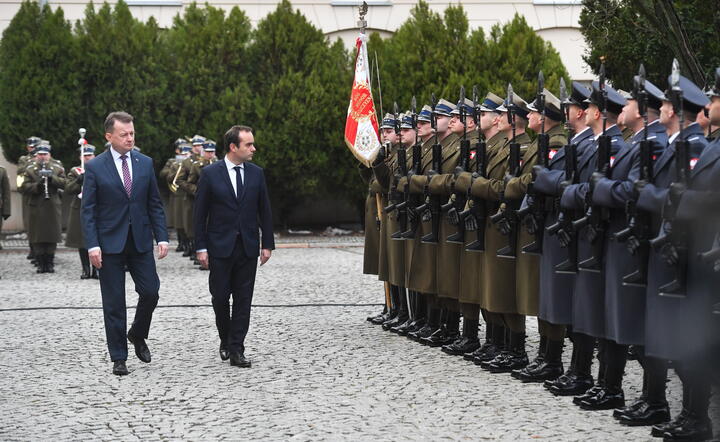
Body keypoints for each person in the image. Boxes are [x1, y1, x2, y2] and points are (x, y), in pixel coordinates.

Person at [81, 111, 169, 376]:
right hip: (109, 244)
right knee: (114, 302)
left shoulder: (144, 163)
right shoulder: (96, 166)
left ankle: (137, 333)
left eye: (132, 133)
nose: (130, 138)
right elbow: (88, 210)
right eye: (124, 134)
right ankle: (118, 356)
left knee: (151, 291)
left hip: (140, 240)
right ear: (109, 136)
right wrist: (92, 246)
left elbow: (154, 203)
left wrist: (162, 236)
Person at [193, 125, 274, 368]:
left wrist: (267, 243)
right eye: (248, 144)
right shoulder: (210, 174)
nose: (253, 148)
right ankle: (225, 338)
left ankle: (237, 347)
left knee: (243, 299)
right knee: (219, 297)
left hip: (247, 247)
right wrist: (201, 247)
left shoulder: (256, 174)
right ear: (233, 147)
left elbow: (265, 211)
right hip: (219, 247)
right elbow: (200, 214)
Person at [20, 141, 66, 273]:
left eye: (45, 154)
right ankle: (40, 262)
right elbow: (24, 187)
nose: (43, 157)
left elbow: (65, 184)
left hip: (52, 205)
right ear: (36, 155)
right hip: (36, 205)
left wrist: (52, 179)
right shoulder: (30, 169)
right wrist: (38, 185)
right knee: (37, 235)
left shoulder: (57, 168)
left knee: (52, 235)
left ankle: (50, 262)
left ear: (49, 155)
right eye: (40, 154)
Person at [66, 144, 98, 279]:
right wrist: (78, 181)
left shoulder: (101, 167)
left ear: (94, 156)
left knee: (97, 239)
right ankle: (85, 269)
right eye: (84, 156)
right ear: (80, 157)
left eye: (89, 155)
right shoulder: (75, 171)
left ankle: (96, 269)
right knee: (81, 240)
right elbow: (68, 189)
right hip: (79, 207)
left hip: (97, 207)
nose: (87, 158)